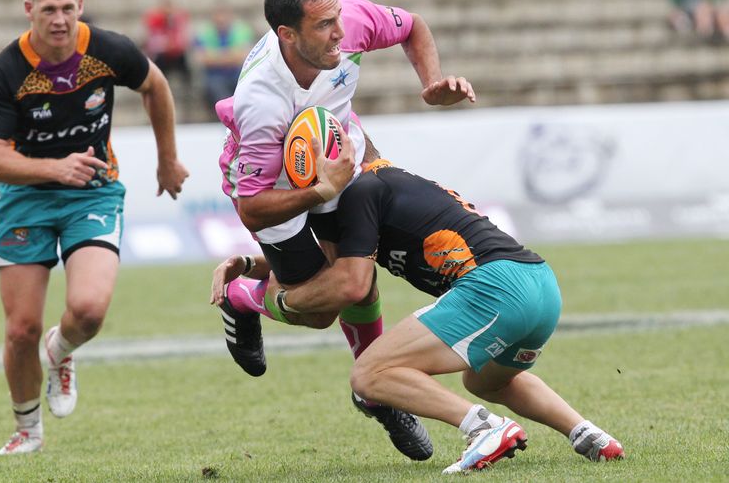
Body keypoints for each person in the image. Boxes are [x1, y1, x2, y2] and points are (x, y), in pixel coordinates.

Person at [216, 141, 625, 474]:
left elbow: (351, 283)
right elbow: (327, 263)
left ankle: (484, 428)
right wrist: (251, 265)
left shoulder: (360, 193)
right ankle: (586, 433)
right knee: (486, 382)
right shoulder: (380, 184)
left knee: (369, 373)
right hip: (539, 285)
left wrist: (278, 300)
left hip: (495, 288)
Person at [212, 0, 475, 460]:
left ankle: (376, 390)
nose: (340, 33)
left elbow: (413, 24)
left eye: (338, 18)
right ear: (287, 35)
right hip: (272, 184)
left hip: (340, 155)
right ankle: (244, 298)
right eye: (323, 26)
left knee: (357, 280)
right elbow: (252, 210)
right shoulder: (261, 102)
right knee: (319, 310)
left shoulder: (347, 20)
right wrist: (317, 192)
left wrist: (432, 82)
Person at [0, 0, 189, 456]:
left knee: (89, 311)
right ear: (30, 10)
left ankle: (62, 351)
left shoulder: (108, 49)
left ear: (80, 7)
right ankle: (27, 430)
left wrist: (168, 159)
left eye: (67, 8)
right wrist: (54, 168)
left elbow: (156, 85)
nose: (59, 19)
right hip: (25, 196)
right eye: (48, 9)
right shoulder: (10, 68)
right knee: (20, 328)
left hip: (93, 190)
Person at [192, 4, 254, 111]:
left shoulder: (241, 30)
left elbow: (244, 56)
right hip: (215, 77)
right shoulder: (205, 33)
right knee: (217, 89)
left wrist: (215, 57)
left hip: (237, 74)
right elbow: (201, 58)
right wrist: (230, 56)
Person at [142, 0, 191, 86]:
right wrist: (165, 45)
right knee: (158, 64)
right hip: (162, 55)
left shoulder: (177, 21)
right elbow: (152, 42)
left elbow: (183, 39)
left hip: (176, 53)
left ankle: (187, 88)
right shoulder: (155, 22)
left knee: (185, 64)